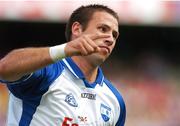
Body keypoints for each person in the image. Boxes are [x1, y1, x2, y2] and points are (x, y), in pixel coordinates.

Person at [0, 4, 126, 126]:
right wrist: (63, 50)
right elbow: (4, 68)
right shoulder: (48, 71)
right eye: (103, 29)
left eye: (114, 35)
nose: (110, 39)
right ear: (77, 29)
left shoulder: (115, 101)